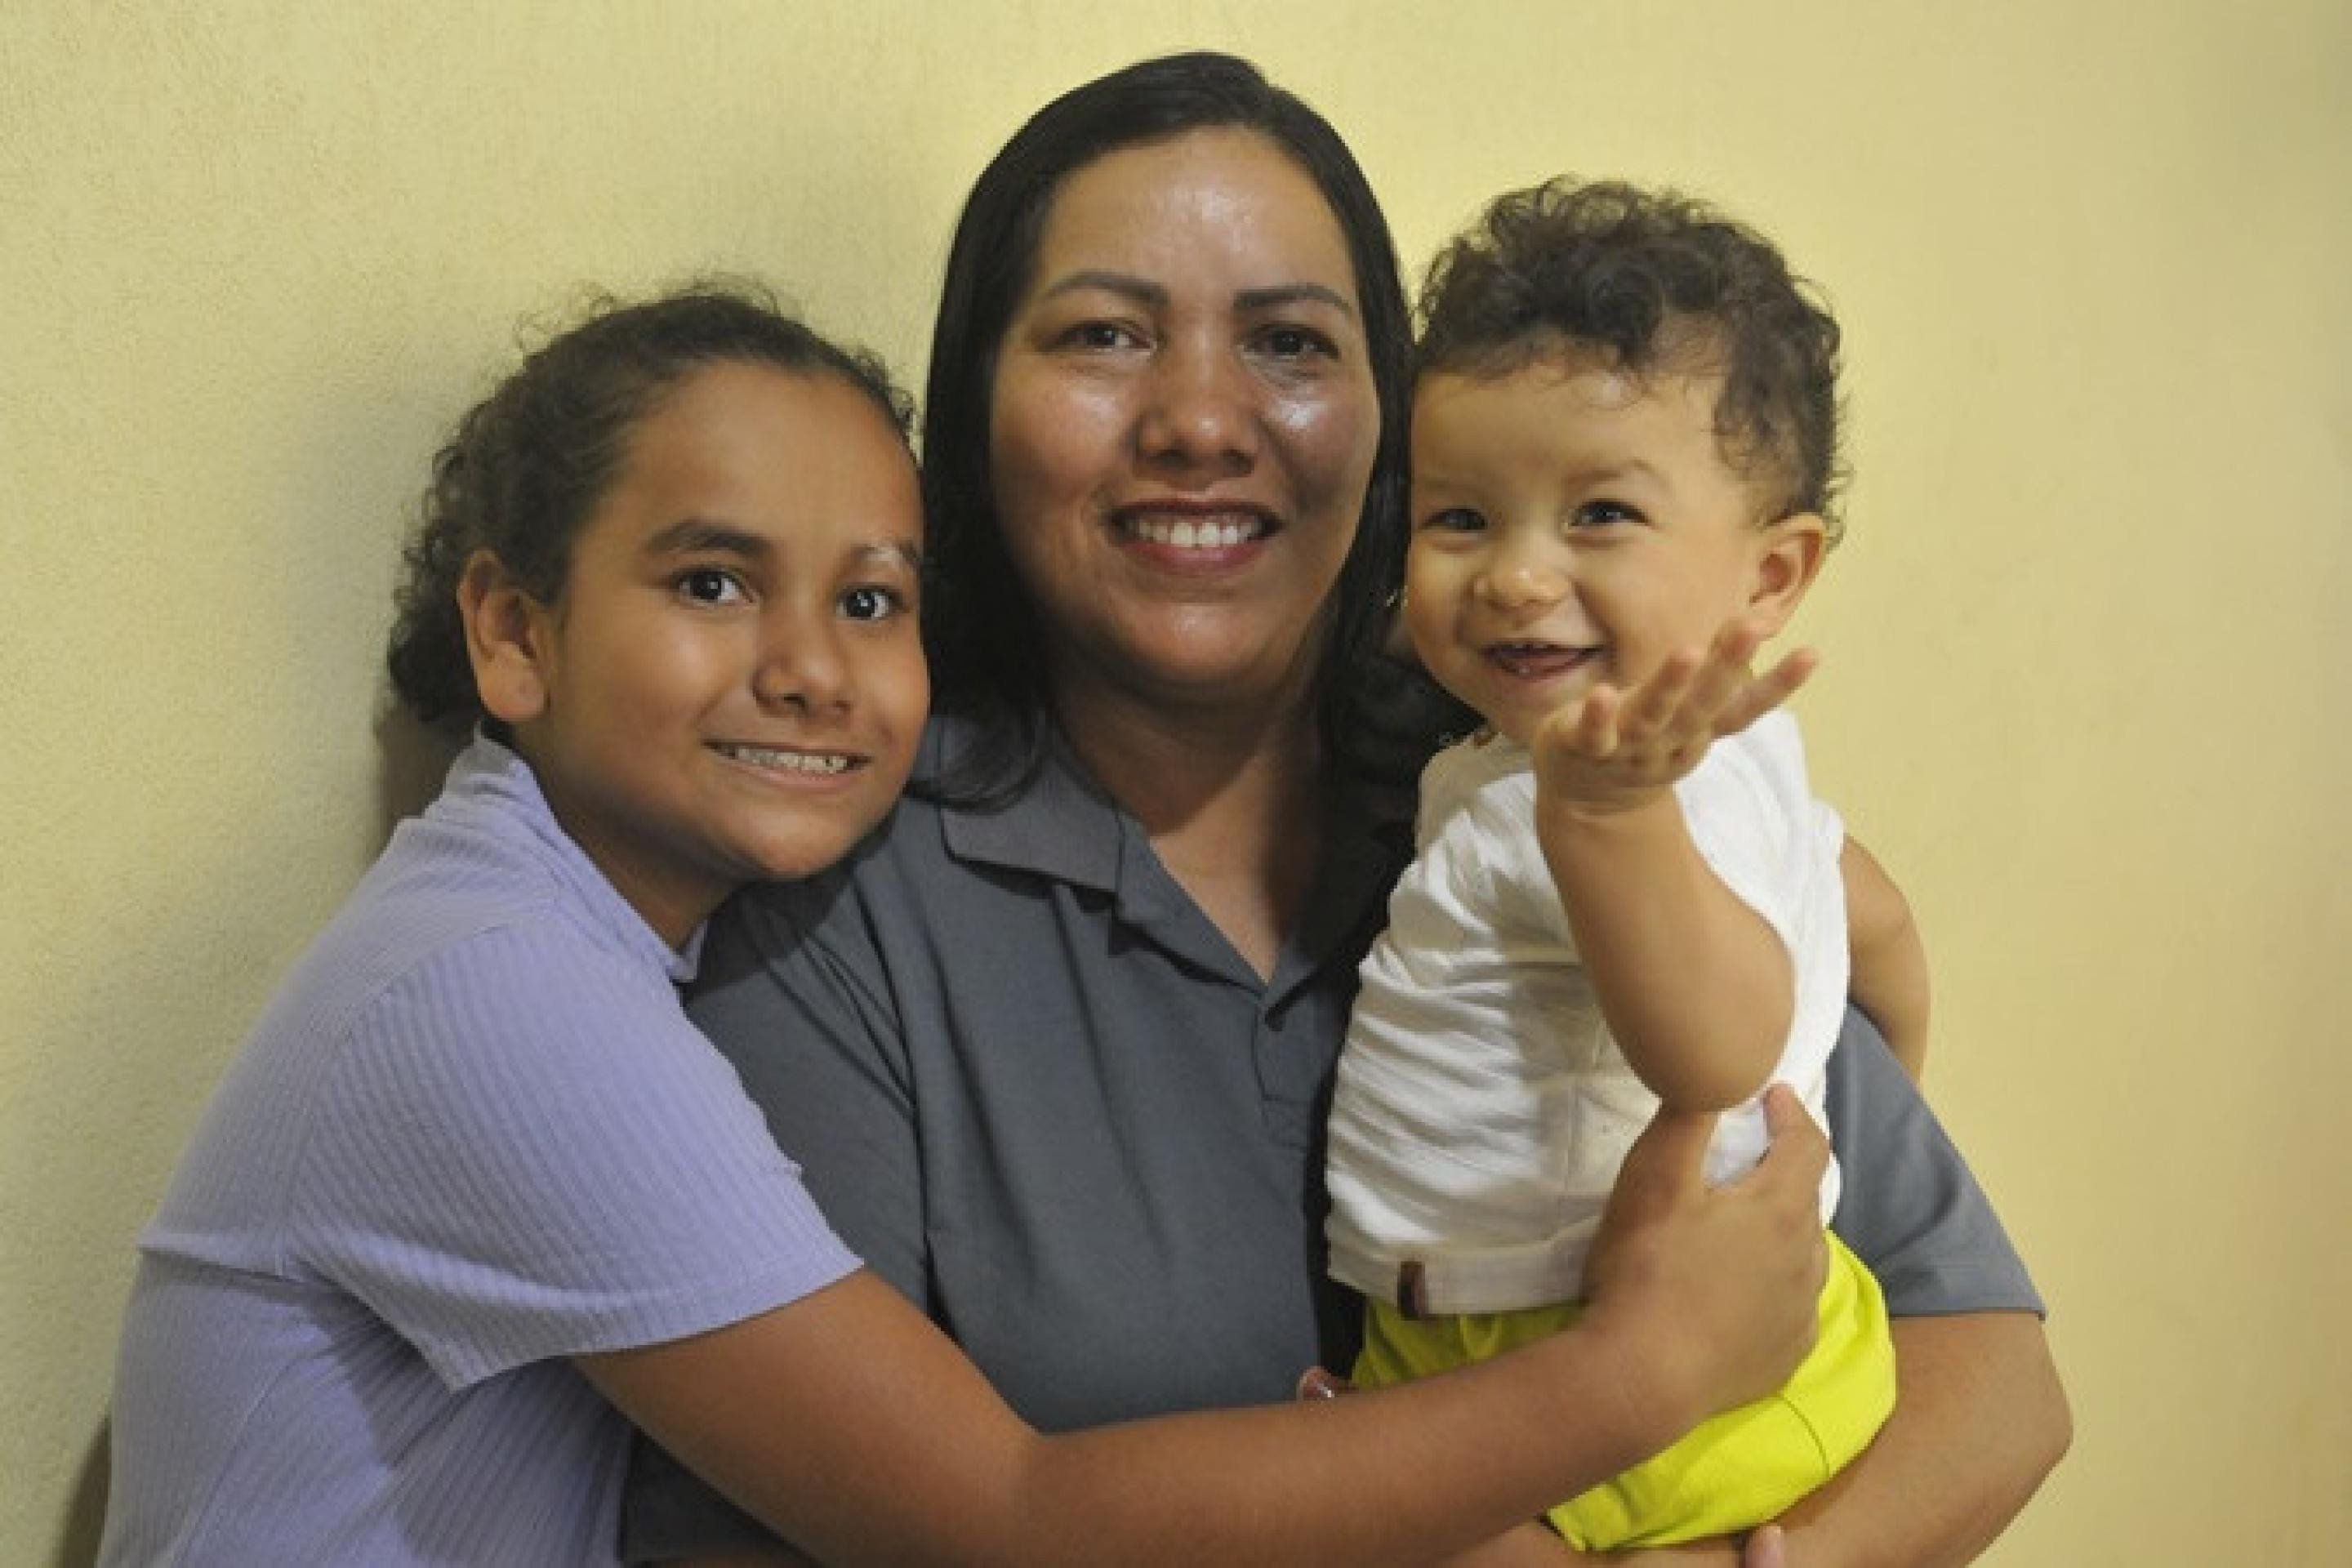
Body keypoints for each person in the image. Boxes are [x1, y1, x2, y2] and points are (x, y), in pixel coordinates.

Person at [96, 283, 1829, 1568]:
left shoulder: (569, 937)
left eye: (871, 599)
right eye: (711, 582)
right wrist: (1639, 1377)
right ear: (512, 633)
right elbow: (1006, 1522)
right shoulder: (494, 995)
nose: (806, 663)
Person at [625, 52, 2066, 1568]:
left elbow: (1996, 1372)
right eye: (1105, 335)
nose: (1199, 419)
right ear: (975, 408)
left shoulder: (1544, 775)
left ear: (1388, 417)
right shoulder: (828, 891)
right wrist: (1628, 1380)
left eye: (1290, 345)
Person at [1324, 177, 1940, 1552]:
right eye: (1461, 519)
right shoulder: (1730, 762)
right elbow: (1877, 918)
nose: (1516, 579)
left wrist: (1606, 821)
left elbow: (1723, 1044)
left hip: (1564, 1337)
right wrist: (1860, 1092)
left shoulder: (1618, 795)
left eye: (1600, 515)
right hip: (1576, 1315)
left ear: (1769, 579)